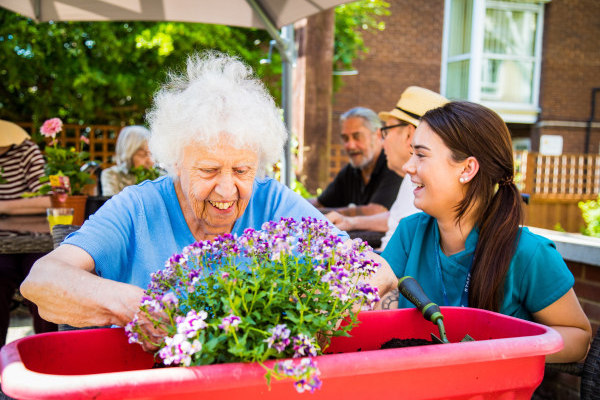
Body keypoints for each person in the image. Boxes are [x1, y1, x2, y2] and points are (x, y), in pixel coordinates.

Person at [21, 52, 397, 351]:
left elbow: (377, 271)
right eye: (209, 170)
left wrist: (324, 300)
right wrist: (132, 306)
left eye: (242, 170)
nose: (227, 189)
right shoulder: (137, 208)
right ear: (176, 163)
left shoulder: (273, 202)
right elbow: (42, 281)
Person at [380, 101, 591, 363]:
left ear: (467, 169)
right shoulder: (410, 233)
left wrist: (497, 351)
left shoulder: (529, 253)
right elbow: (375, 293)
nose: (408, 167)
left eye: (421, 155)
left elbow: (579, 337)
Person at [326, 87, 448, 251]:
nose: (382, 143)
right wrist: (350, 222)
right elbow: (396, 218)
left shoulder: (423, 183)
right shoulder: (412, 179)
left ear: (409, 135)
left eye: (386, 131)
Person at [0, 120, 56, 347]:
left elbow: (45, 200)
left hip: (35, 241)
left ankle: (50, 355)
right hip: (4, 247)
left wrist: (3, 207)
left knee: (44, 283)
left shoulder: (26, 150)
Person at [309, 107, 401, 218]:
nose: (350, 145)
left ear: (378, 135)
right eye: (345, 138)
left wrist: (327, 214)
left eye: (357, 137)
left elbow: (377, 211)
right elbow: (320, 203)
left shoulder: (393, 164)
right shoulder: (351, 171)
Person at [101, 125, 155, 196]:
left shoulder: (156, 175)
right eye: (143, 154)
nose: (150, 161)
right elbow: (114, 205)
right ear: (128, 154)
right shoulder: (111, 175)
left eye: (151, 154)